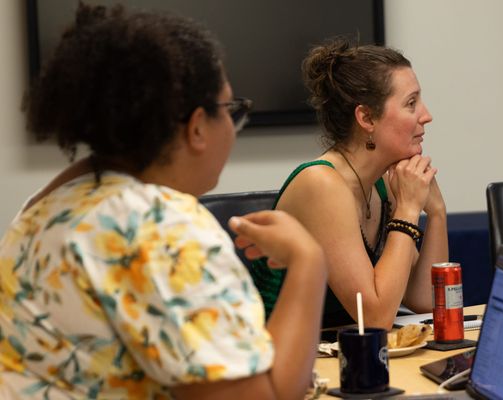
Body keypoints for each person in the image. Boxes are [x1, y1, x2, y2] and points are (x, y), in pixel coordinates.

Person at [0, 3, 327, 399]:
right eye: (229, 108)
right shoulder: (164, 227)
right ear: (196, 128)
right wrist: (308, 262)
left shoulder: (45, 208)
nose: (233, 126)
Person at [250, 38, 448, 333]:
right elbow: (375, 318)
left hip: (340, 355)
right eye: (411, 103)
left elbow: (425, 299)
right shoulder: (321, 184)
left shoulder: (382, 182)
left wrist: (436, 213)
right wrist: (407, 209)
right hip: (280, 361)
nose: (426, 115)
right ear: (366, 117)